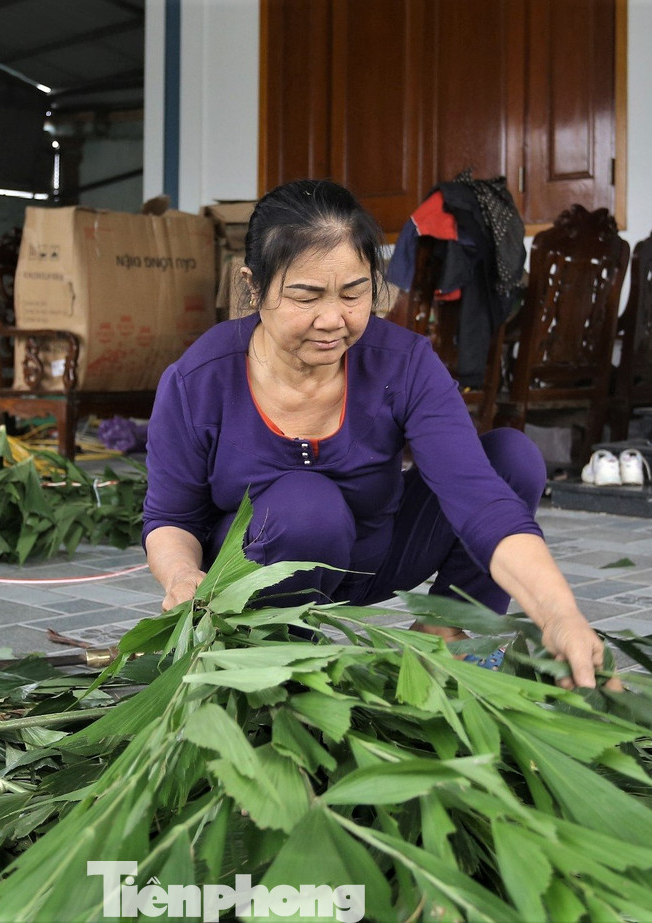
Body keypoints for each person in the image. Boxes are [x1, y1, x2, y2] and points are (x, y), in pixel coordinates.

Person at [142, 179, 613, 689]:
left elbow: (479, 500)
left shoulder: (403, 363)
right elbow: (171, 518)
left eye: (354, 293)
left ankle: (445, 636)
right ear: (253, 287)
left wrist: (559, 615)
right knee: (306, 504)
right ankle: (277, 658)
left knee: (511, 458)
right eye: (306, 296)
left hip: (375, 555)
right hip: (261, 574)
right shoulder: (199, 380)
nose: (332, 320)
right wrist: (181, 576)